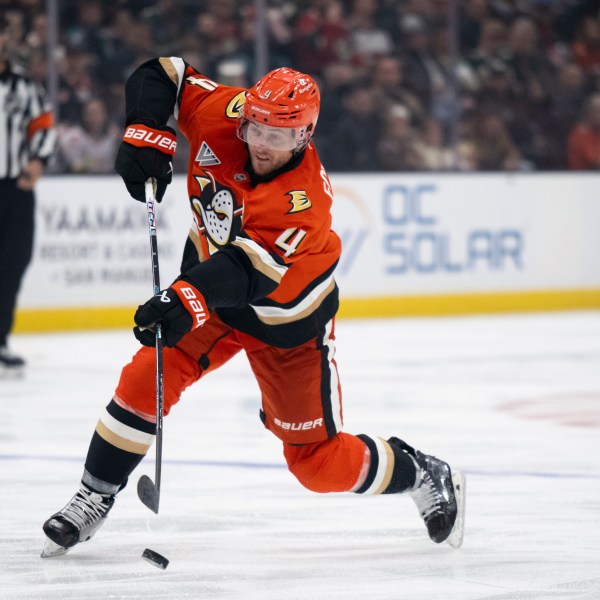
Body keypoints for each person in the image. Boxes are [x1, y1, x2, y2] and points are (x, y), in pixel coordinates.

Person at [40, 56, 465, 557]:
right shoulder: (226, 112)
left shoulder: (303, 199)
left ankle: (421, 472)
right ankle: (93, 496)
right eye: (255, 128)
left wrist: (183, 299)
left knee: (317, 464)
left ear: (304, 137)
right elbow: (164, 71)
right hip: (210, 294)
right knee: (143, 378)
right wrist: (145, 130)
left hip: (286, 322)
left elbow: (245, 272)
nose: (261, 144)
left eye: (279, 137)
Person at [0, 16, 56, 371]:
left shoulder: (23, 85)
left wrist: (38, 161)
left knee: (13, 261)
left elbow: (44, 125)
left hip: (14, 188)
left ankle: (0, 338)